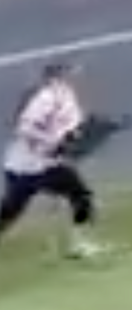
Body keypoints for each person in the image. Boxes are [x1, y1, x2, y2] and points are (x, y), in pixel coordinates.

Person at [0, 63, 104, 258]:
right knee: (9, 212)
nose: (72, 77)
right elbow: (25, 129)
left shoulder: (67, 97)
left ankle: (78, 244)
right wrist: (51, 142)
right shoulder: (46, 99)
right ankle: (77, 244)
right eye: (67, 74)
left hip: (47, 167)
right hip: (26, 168)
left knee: (81, 196)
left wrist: (72, 142)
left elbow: (70, 133)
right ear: (55, 78)